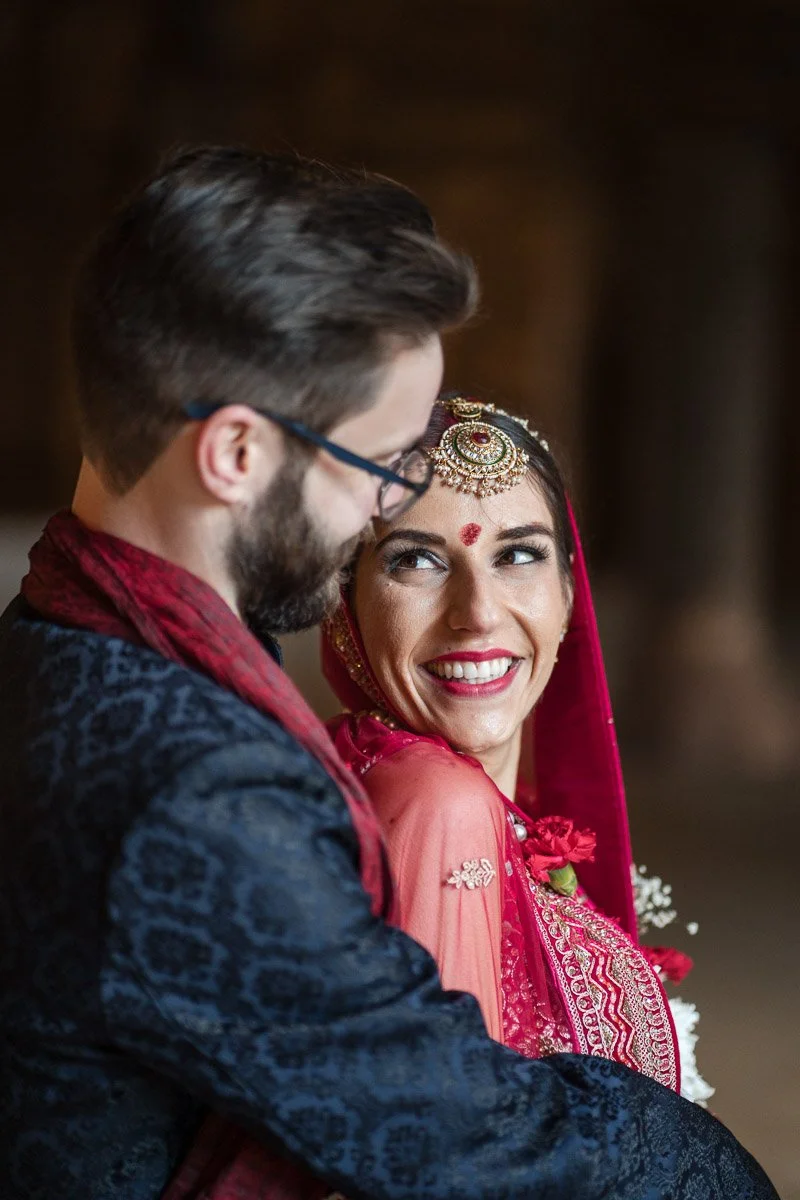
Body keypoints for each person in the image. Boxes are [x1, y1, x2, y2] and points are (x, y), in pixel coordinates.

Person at [0, 146, 776, 1200]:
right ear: (234, 455)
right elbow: (448, 1135)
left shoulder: (55, 635)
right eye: (376, 465)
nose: (381, 509)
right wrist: (708, 1168)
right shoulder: (194, 780)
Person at [322, 394, 710, 1098]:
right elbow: (445, 1152)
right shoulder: (441, 805)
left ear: (568, 591)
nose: (477, 613)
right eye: (417, 561)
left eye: (519, 554)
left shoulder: (457, 804)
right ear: (344, 601)